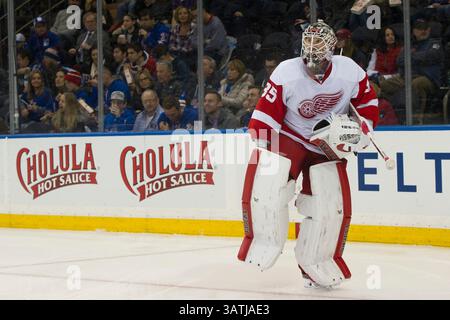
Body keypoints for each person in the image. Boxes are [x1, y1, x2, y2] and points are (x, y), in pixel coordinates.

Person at [238, 20, 379, 289]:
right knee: (269, 189)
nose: (313, 50)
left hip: (327, 142)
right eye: (309, 43)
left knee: (328, 206)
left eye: (319, 44)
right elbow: (264, 118)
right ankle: (263, 241)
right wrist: (266, 147)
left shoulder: (349, 71)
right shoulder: (286, 72)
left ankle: (315, 262)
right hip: (291, 136)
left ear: (332, 47)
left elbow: (366, 103)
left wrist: (363, 129)